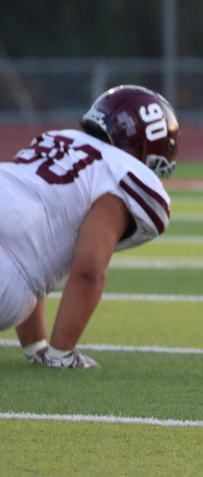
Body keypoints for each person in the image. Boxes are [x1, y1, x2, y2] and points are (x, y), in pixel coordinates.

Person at [1, 85, 177, 369]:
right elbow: (89, 270)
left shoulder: (58, 140)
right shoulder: (118, 173)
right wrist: (61, 354)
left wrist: (36, 347)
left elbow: (26, 243)